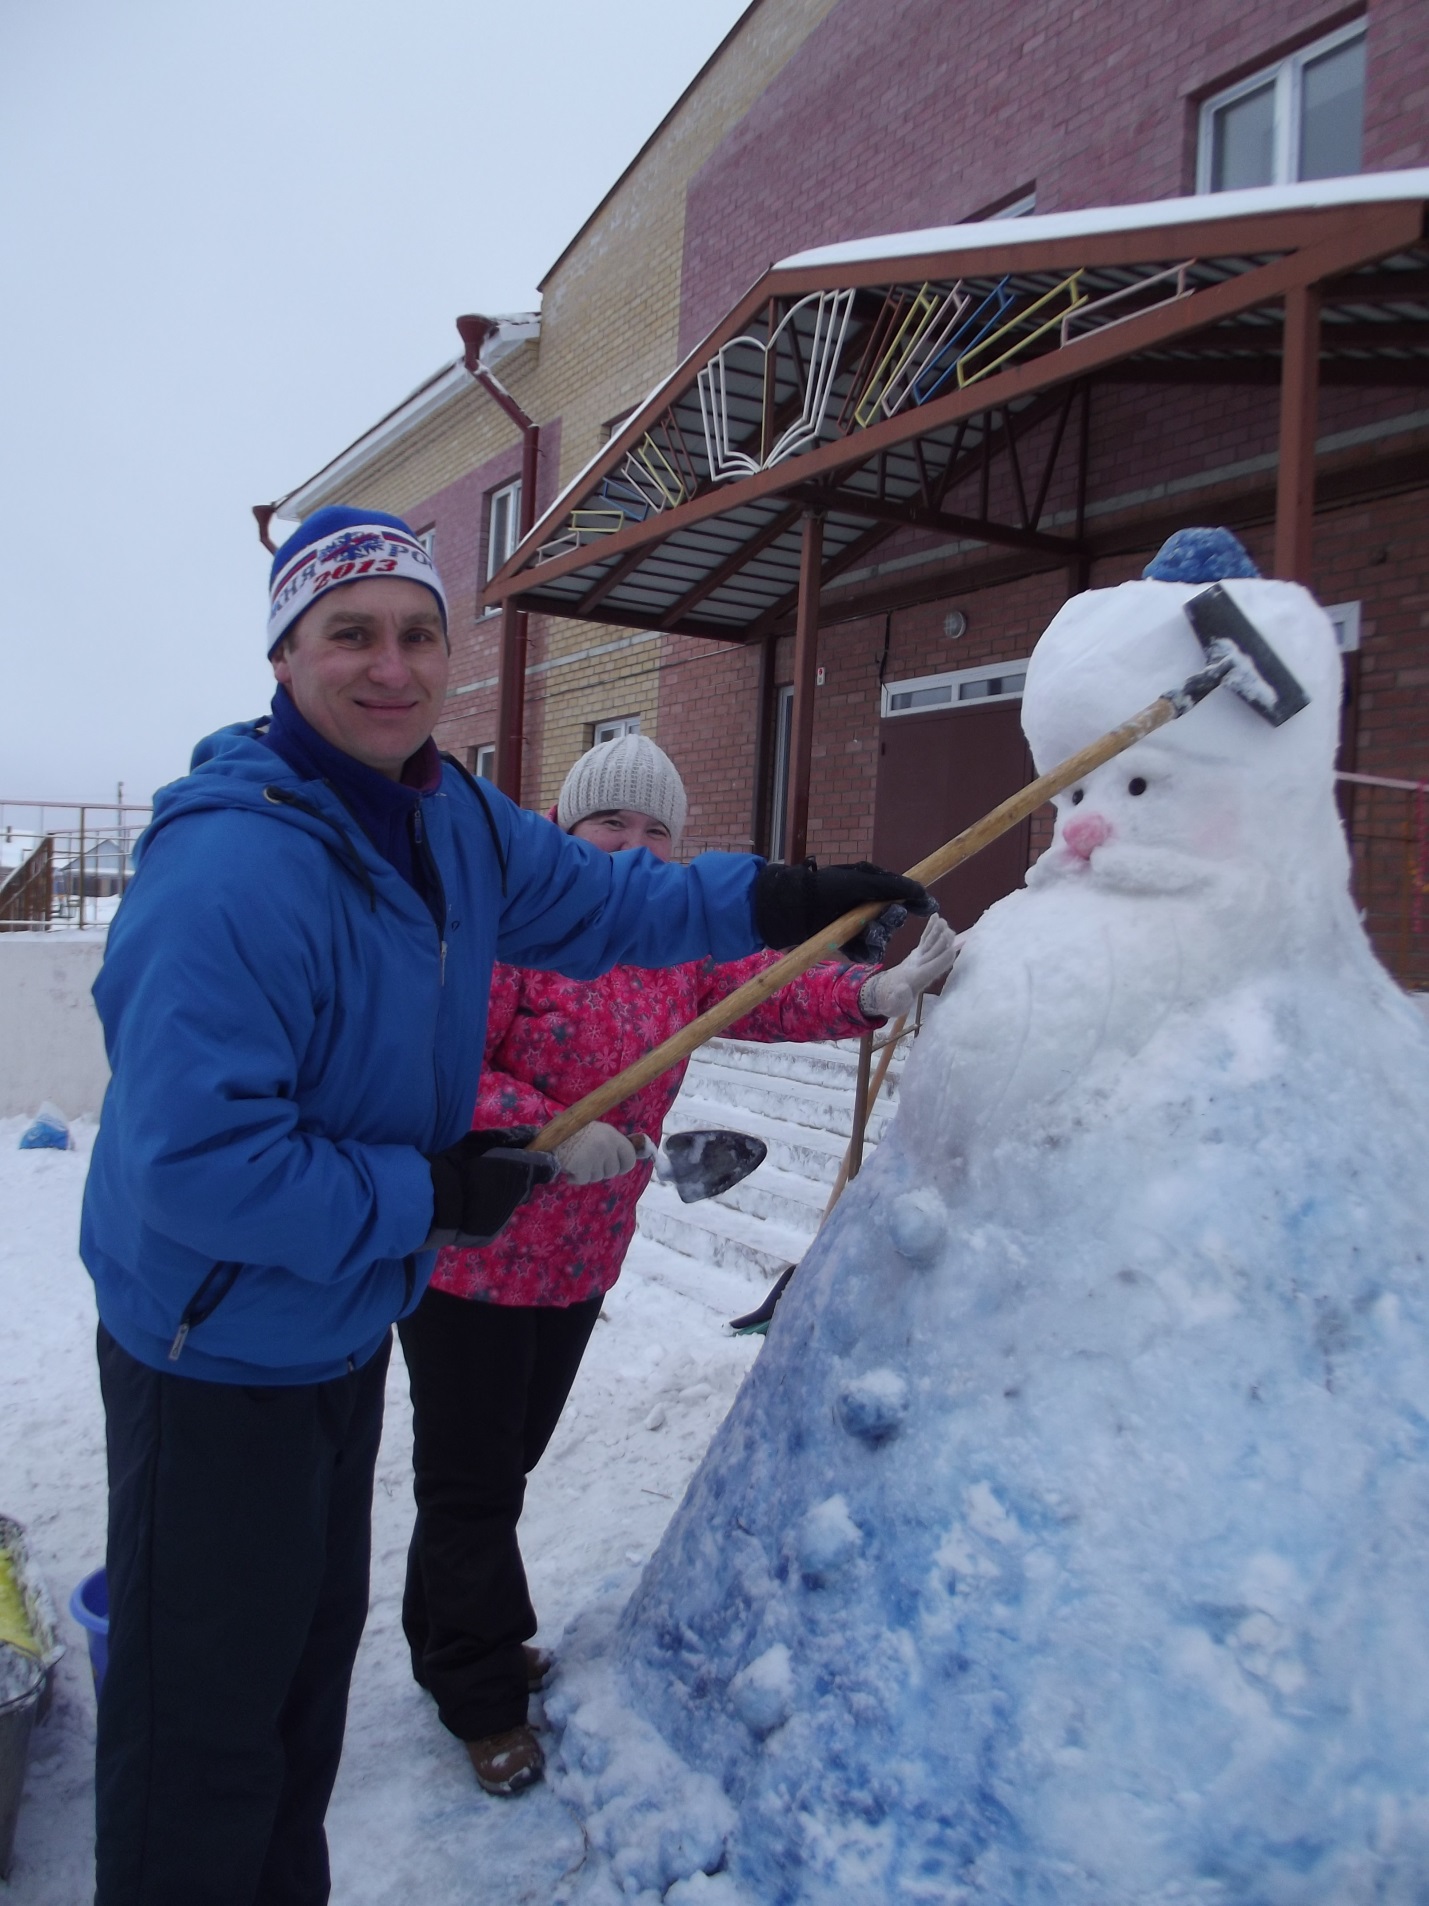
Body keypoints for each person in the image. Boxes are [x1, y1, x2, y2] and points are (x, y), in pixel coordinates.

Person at [79, 505, 930, 1906]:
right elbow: (196, 1166)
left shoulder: (443, 817)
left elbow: (614, 905)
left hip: (342, 1315)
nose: (392, 665)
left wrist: (784, 896)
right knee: (205, 1741)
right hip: (210, 1347)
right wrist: (441, 1182)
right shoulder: (229, 873)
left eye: (418, 632)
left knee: (296, 1706)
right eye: (350, 633)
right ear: (286, 654)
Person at [398, 732, 959, 1795]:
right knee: (470, 1483)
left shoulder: (669, 945)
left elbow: (770, 986)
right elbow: (437, 1074)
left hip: (579, 1258)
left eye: (660, 829)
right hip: (472, 1261)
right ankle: (477, 1693)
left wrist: (867, 999)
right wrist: (547, 1130)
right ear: (564, 832)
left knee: (498, 1468)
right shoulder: (509, 936)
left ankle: (450, 1632)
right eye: (613, 823)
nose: (639, 847)